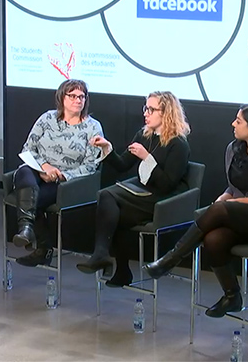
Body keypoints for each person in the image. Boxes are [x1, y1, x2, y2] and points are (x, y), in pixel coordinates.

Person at [143, 102, 248, 316]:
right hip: (244, 215)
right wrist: (225, 197)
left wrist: (232, 204)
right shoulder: (234, 149)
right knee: (213, 239)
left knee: (220, 209)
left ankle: (171, 258)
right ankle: (232, 295)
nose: (233, 124)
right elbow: (235, 186)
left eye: (239, 121)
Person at [76, 91, 191, 287]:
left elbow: (167, 184)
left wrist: (147, 158)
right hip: (141, 192)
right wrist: (107, 148)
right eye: (145, 108)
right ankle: (120, 269)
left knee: (107, 196)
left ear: (166, 113)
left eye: (151, 109)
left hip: (162, 199)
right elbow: (122, 165)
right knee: (113, 210)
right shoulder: (144, 134)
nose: (145, 113)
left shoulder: (178, 144)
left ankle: (103, 256)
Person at [12, 79, 103, 267]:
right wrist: (45, 167)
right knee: (23, 174)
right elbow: (28, 148)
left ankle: (35, 239)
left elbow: (91, 165)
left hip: (64, 183)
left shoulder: (93, 127)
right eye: (73, 96)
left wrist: (61, 174)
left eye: (82, 96)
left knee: (30, 198)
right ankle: (31, 233)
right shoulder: (47, 119)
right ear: (62, 97)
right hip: (37, 172)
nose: (78, 100)